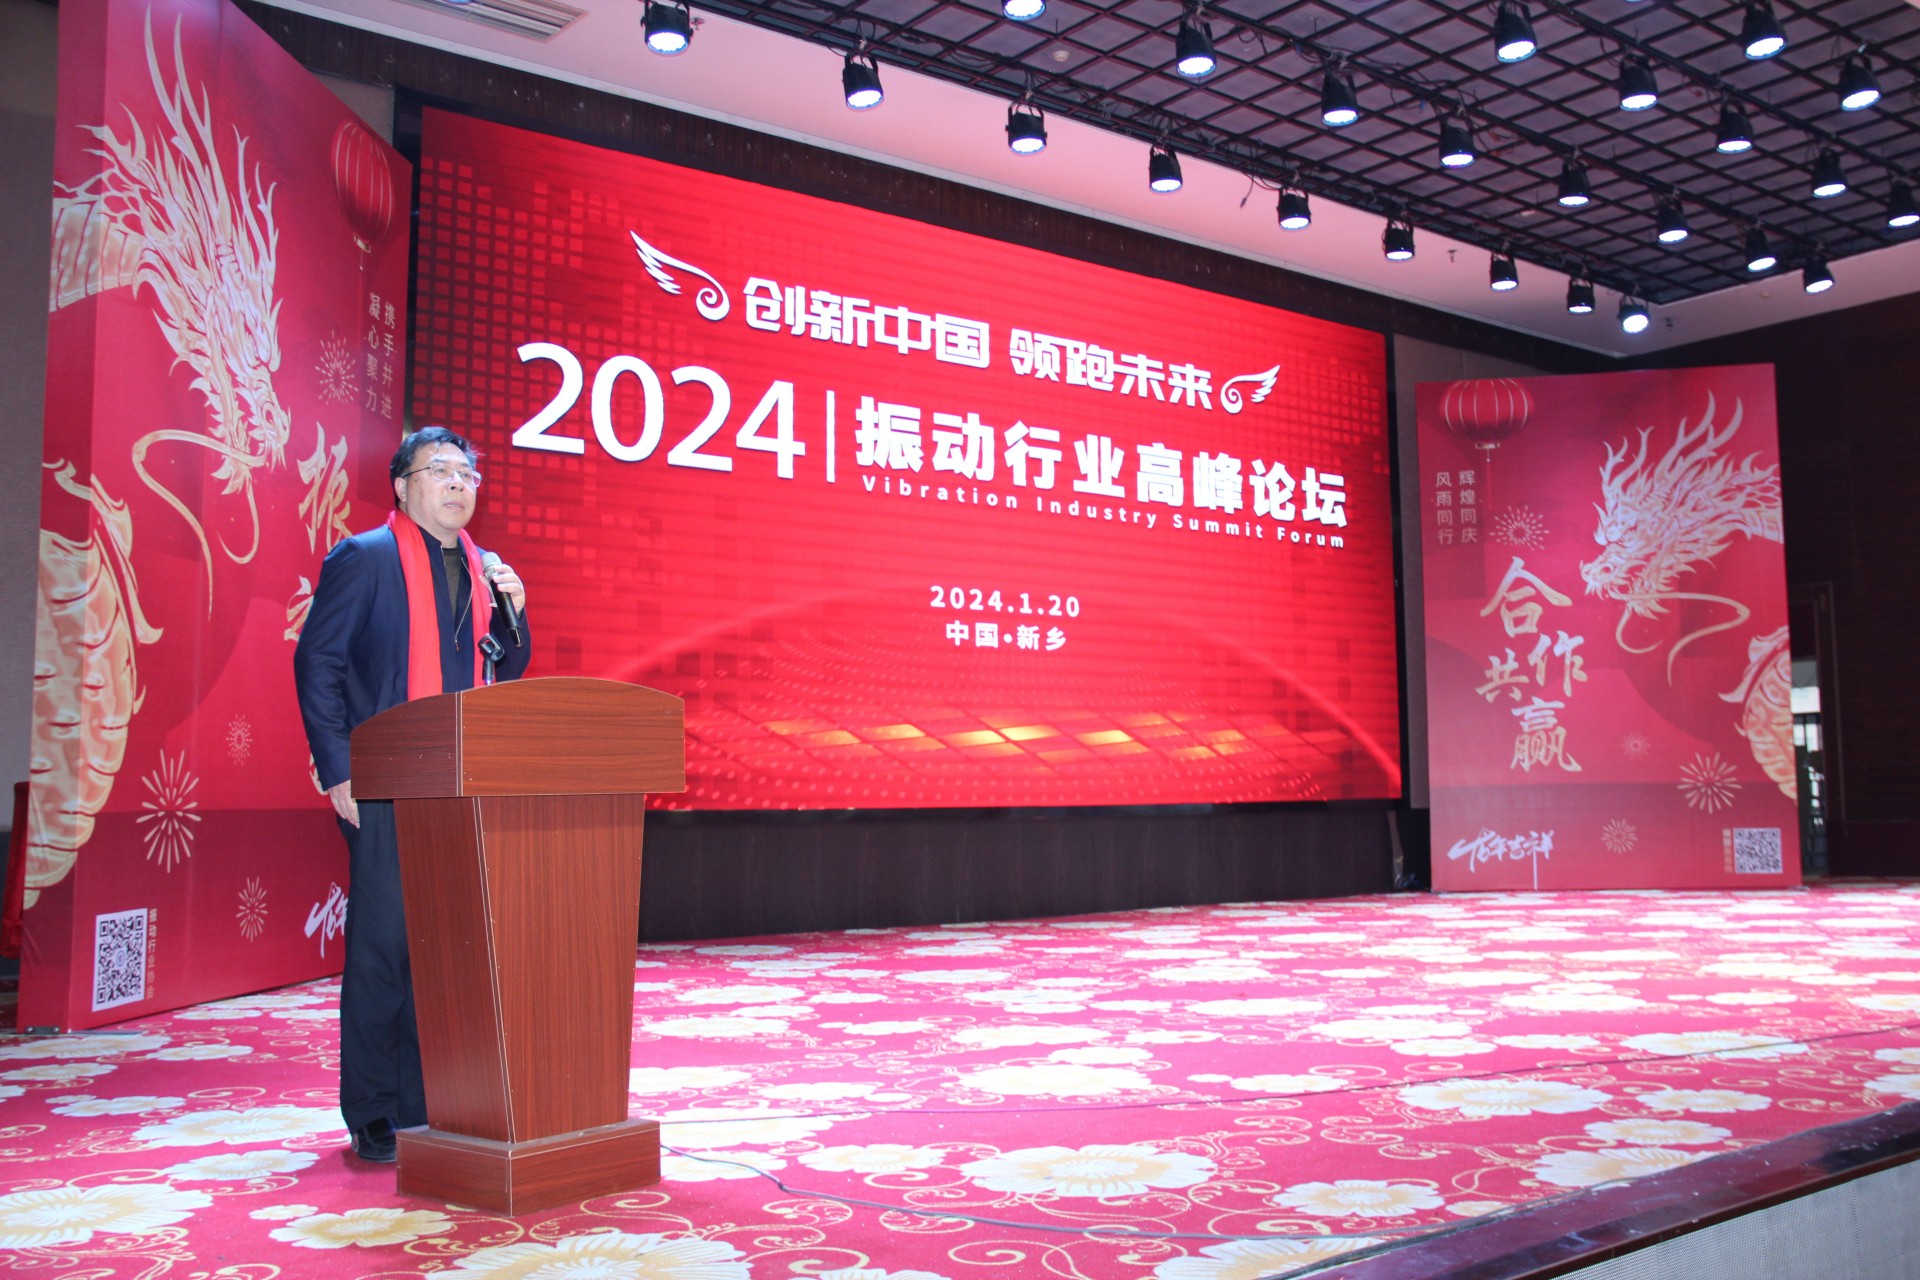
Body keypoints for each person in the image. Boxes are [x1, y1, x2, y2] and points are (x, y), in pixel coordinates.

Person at [293, 426, 530, 1162]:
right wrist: (339, 768)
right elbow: (318, 664)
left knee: (444, 947)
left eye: (467, 473)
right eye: (440, 470)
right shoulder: (364, 558)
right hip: (385, 779)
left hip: (462, 782)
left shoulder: (486, 570)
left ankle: (425, 1101)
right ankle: (373, 1108)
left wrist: (516, 611)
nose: (458, 483)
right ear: (402, 486)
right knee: (385, 947)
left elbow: (506, 671)